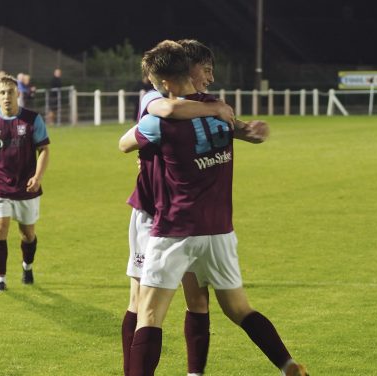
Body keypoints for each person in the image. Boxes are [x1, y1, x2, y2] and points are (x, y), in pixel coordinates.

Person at [118, 40, 307, 376]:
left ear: (163, 82)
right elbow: (236, 130)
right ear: (189, 70)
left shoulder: (158, 118)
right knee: (238, 308)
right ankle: (288, 364)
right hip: (219, 230)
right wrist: (250, 130)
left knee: (147, 314)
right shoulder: (223, 111)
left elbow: (125, 143)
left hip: (174, 228)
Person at [121, 41, 235, 376]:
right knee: (141, 302)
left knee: (198, 299)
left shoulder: (203, 107)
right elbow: (128, 140)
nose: (209, 79)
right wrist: (214, 110)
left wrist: (242, 127)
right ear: (186, 72)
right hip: (151, 212)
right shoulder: (155, 101)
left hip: (188, 217)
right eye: (205, 70)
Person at [0, 75, 51, 293]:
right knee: (0, 229)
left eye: (10, 92)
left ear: (18, 94)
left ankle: (27, 266)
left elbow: (44, 149)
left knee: (27, 235)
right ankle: (1, 279)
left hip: (27, 187)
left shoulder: (32, 119)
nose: (7, 96)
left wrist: (38, 177)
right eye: (2, 93)